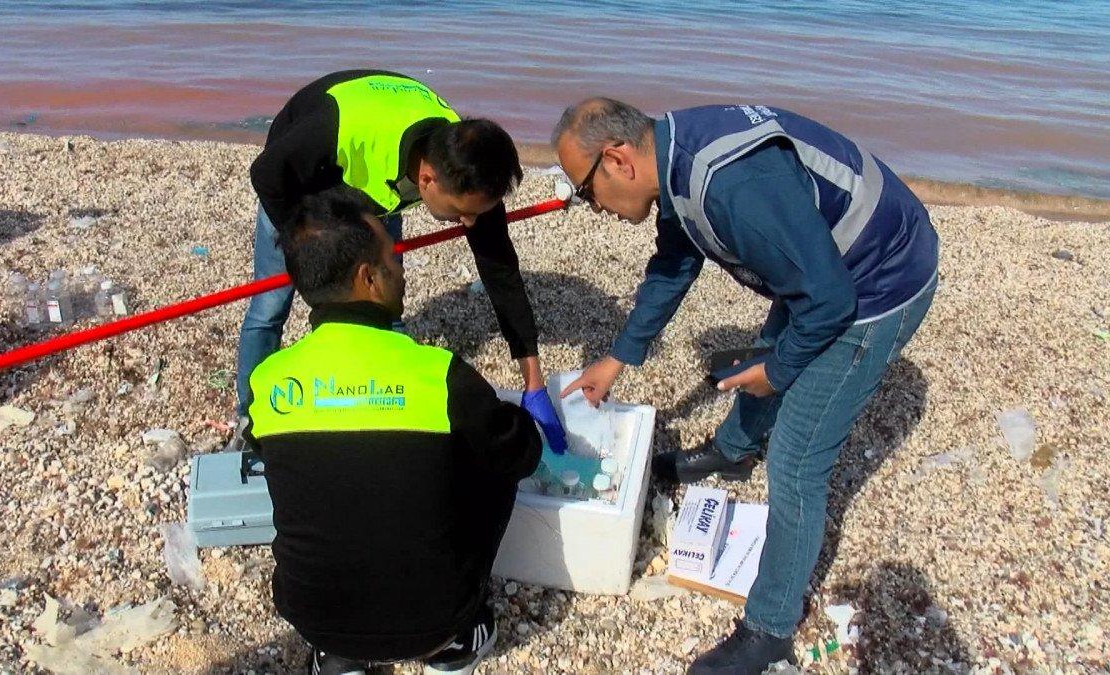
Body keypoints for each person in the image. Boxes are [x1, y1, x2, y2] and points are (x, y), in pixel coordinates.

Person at [552, 99, 938, 673]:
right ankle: (731, 454)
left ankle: (769, 629)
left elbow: (830, 302)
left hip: (878, 284)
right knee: (772, 344)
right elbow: (674, 264)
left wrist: (779, 371)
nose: (592, 207)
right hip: (826, 266)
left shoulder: (731, 187)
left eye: (585, 190)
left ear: (618, 159)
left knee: (797, 460)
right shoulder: (672, 156)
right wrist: (617, 358)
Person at [243, 185, 543, 675]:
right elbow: (520, 454)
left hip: (313, 616)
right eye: (392, 257)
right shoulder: (437, 373)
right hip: (435, 617)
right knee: (492, 467)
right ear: (369, 279)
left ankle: (341, 657)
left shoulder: (269, 381)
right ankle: (456, 646)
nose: (400, 268)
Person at [234, 69, 566, 454]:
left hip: (381, 183)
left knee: (385, 302)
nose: (470, 223)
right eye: (461, 213)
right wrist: (305, 249)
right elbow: (267, 173)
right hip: (307, 176)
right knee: (272, 305)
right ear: (427, 179)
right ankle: (250, 418)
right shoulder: (338, 130)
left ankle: (384, 401)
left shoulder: (466, 163)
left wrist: (533, 381)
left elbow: (501, 271)